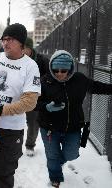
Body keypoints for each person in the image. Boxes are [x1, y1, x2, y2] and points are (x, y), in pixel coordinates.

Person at [36, 50, 112, 187]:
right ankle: (55, 178)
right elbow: (33, 103)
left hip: (73, 127)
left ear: (70, 68)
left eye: (63, 70)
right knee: (52, 155)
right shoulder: (45, 81)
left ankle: (56, 163)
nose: (59, 73)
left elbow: (97, 87)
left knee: (71, 154)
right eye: (56, 70)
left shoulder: (80, 79)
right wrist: (47, 106)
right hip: (49, 127)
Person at [0, 23, 41, 188]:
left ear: (21, 44)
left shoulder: (30, 66)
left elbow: (29, 102)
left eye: (10, 39)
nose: (5, 43)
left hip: (11, 129)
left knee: (4, 172)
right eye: (4, 39)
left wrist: (0, 110)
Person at [23, 37, 50, 157]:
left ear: (30, 48)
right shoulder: (13, 59)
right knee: (12, 121)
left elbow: (49, 76)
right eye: (21, 48)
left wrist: (36, 82)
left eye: (25, 48)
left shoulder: (42, 60)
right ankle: (13, 144)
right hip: (17, 95)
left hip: (34, 97)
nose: (22, 51)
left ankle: (30, 145)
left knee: (33, 123)